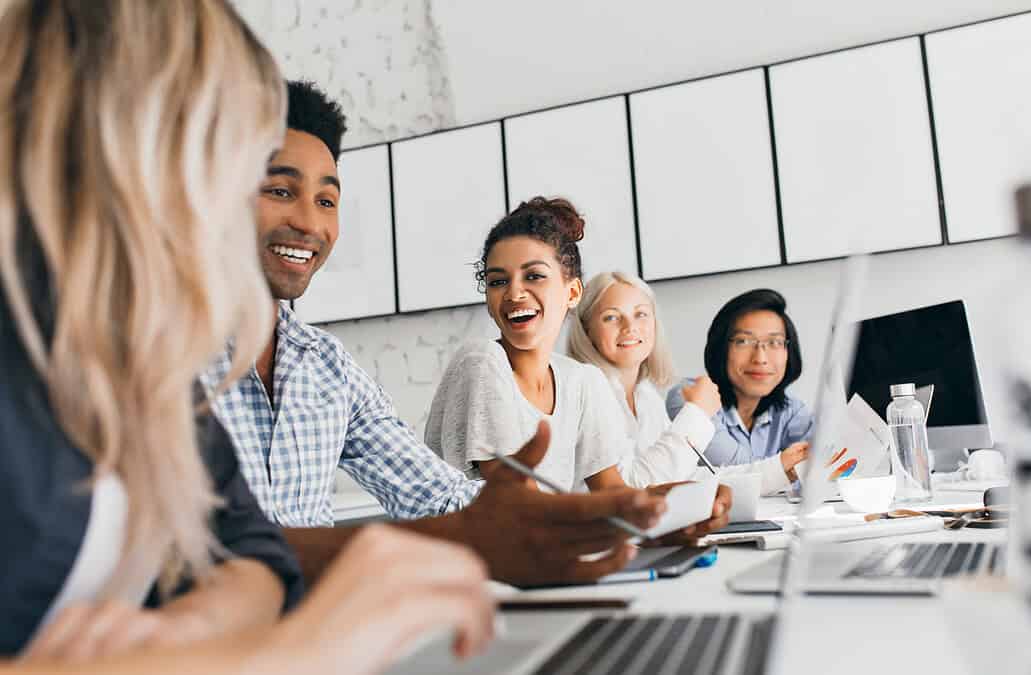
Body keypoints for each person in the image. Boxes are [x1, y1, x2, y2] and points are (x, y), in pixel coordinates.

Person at [0, 0, 493, 671]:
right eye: (233, 154)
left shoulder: (136, 349)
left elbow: (251, 552)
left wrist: (187, 632)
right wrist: (298, 651)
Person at [204, 82, 669, 585]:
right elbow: (185, 555)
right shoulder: (162, 355)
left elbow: (437, 493)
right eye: (280, 191)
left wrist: (645, 518)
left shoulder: (326, 367)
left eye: (327, 200)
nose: (309, 222)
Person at [425, 198, 729, 536]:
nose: (514, 293)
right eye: (498, 281)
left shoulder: (581, 381)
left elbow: (613, 493)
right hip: (474, 557)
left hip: (542, 551)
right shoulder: (482, 361)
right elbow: (519, 506)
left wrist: (690, 501)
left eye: (534, 276)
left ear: (572, 292)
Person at [566, 271, 724, 487]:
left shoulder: (646, 394)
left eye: (640, 314)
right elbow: (630, 488)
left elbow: (680, 475)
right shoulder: (587, 391)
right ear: (587, 330)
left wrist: (770, 472)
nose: (629, 327)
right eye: (611, 317)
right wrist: (698, 412)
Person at [666, 289, 813, 494]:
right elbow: (741, 476)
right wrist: (787, 468)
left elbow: (818, 473)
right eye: (743, 341)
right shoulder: (689, 397)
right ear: (721, 348)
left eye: (774, 342)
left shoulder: (791, 411)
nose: (760, 358)